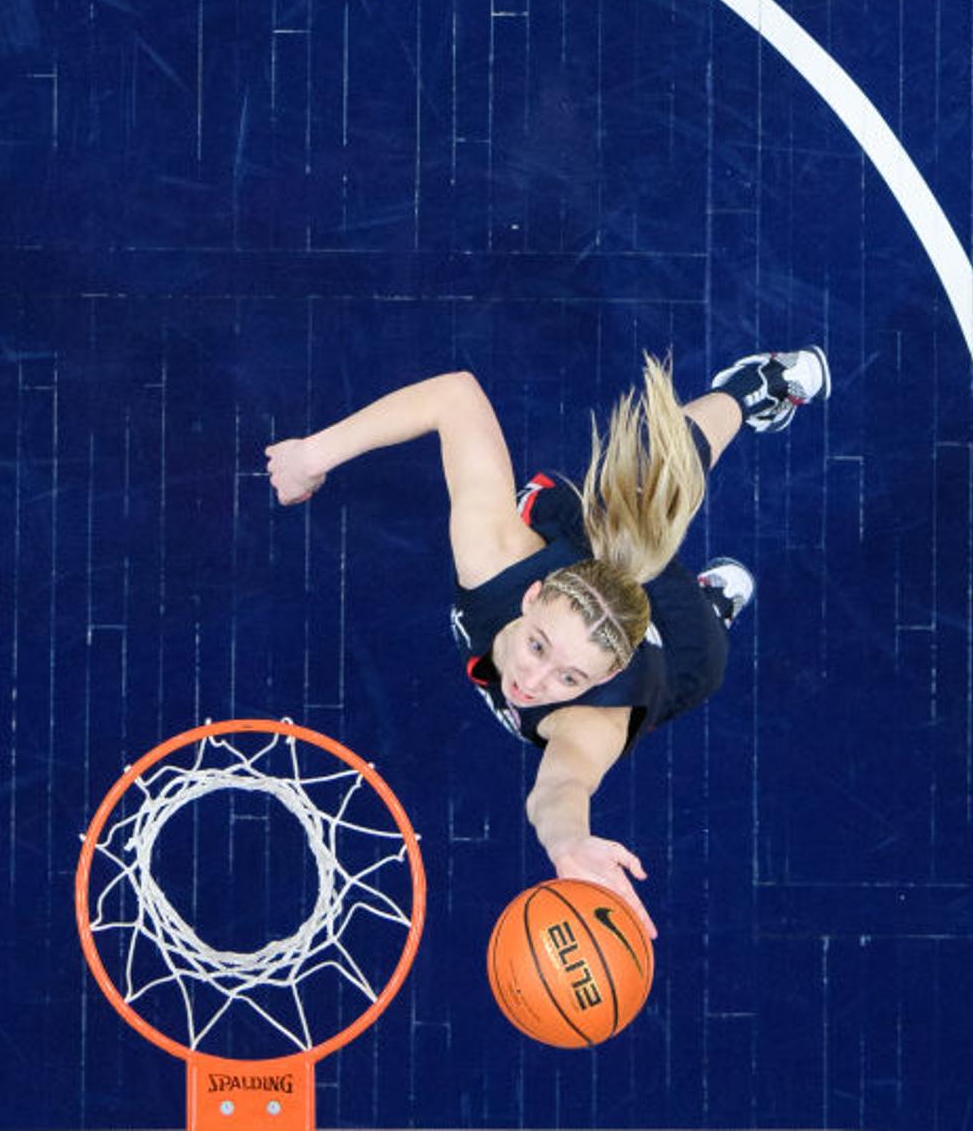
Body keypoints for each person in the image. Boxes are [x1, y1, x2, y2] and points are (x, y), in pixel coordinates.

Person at [265, 348, 831, 938]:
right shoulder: (494, 557)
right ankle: (751, 386)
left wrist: (570, 843)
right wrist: (311, 455)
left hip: (680, 646)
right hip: (600, 551)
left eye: (569, 679)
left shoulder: (594, 720)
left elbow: (561, 786)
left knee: (709, 653)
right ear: (532, 595)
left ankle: (704, 601)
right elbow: (455, 394)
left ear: (602, 681)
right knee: (656, 480)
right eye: (539, 647)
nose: (532, 685)